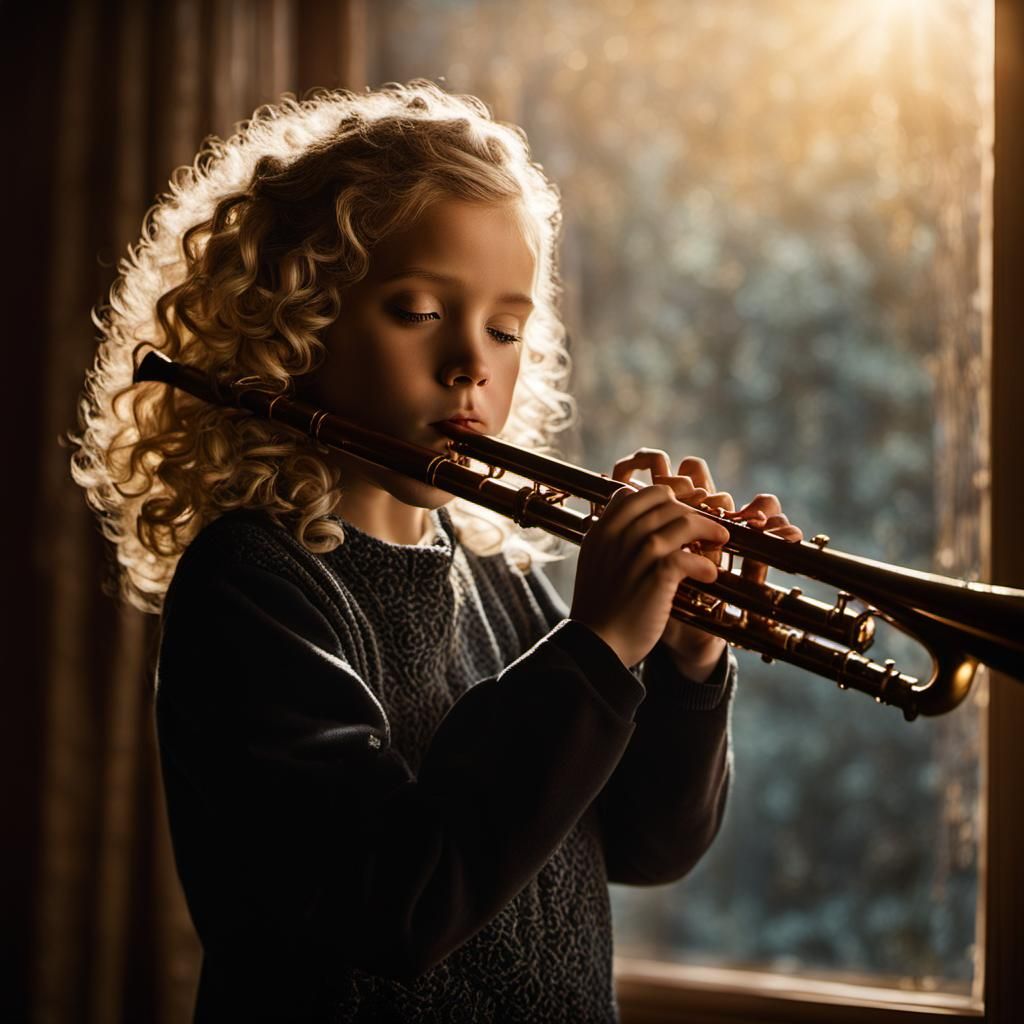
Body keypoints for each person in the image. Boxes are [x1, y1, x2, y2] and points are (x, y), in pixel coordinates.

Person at [70, 80, 801, 1023]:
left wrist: (685, 658)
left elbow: (649, 846)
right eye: (418, 311)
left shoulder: (500, 575)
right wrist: (596, 651)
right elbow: (395, 905)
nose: (472, 362)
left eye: (505, 327)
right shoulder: (253, 582)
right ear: (298, 324)